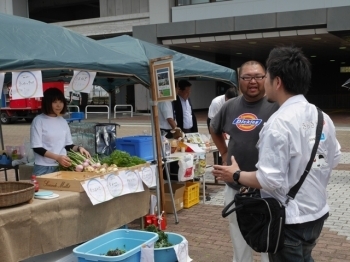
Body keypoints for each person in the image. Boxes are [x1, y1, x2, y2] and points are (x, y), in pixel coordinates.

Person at [212, 47, 341, 262]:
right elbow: (332, 157)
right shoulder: (322, 116)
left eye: (266, 77)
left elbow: (270, 180)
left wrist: (235, 175)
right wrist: (300, 165)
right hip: (316, 214)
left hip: (288, 219)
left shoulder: (278, 123)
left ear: (277, 81)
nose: (261, 82)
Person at [210, 60, 279, 262]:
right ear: (238, 81)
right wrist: (223, 151)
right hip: (236, 186)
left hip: (266, 187)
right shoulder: (229, 107)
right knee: (239, 238)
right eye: (246, 77)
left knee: (269, 240)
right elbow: (214, 129)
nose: (253, 81)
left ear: (266, 78)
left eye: (258, 76)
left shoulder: (276, 106)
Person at [30, 88, 91, 176]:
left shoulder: (62, 121)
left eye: (61, 102)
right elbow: (37, 147)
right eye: (55, 102)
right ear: (47, 103)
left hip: (62, 166)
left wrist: (79, 148)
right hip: (44, 167)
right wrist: (57, 157)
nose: (58, 105)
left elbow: (67, 145)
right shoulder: (38, 121)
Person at [207, 87, 237, 165]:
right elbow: (213, 122)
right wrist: (221, 132)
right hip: (214, 122)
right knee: (218, 147)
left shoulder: (236, 102)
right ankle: (218, 164)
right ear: (226, 98)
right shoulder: (216, 103)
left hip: (228, 122)